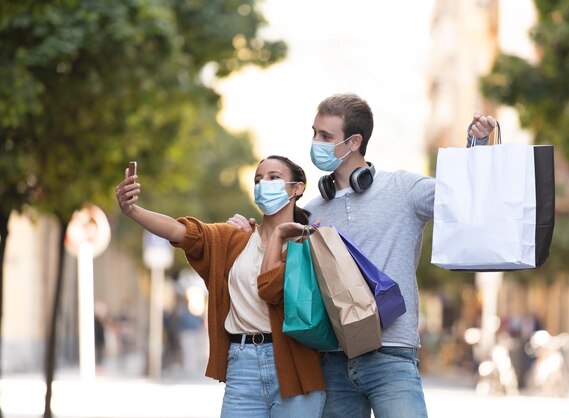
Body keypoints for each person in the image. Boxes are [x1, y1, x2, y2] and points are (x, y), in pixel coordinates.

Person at [228, 93, 496, 418]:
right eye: (314, 133)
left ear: (354, 141)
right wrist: (243, 231)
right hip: (333, 359)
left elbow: (459, 195)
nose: (316, 142)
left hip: (391, 353)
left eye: (325, 136)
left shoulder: (403, 189)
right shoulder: (310, 212)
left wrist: (477, 146)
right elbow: (272, 261)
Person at [115, 155, 326, 418]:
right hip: (243, 364)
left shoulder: (306, 246)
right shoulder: (233, 239)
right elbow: (181, 232)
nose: (264, 185)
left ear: (298, 188)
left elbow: (270, 289)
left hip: (296, 368)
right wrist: (133, 211)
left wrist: (281, 234)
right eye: (258, 180)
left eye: (274, 178)